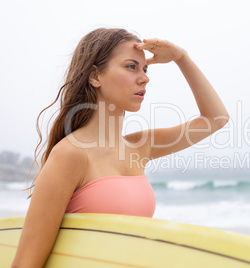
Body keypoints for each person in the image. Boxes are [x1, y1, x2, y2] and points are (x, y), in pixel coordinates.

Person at [11, 27, 229, 268]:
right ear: (95, 76)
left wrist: (181, 58)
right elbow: (25, 264)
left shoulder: (139, 147)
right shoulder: (70, 154)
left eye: (144, 68)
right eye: (131, 67)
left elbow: (215, 119)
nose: (145, 77)